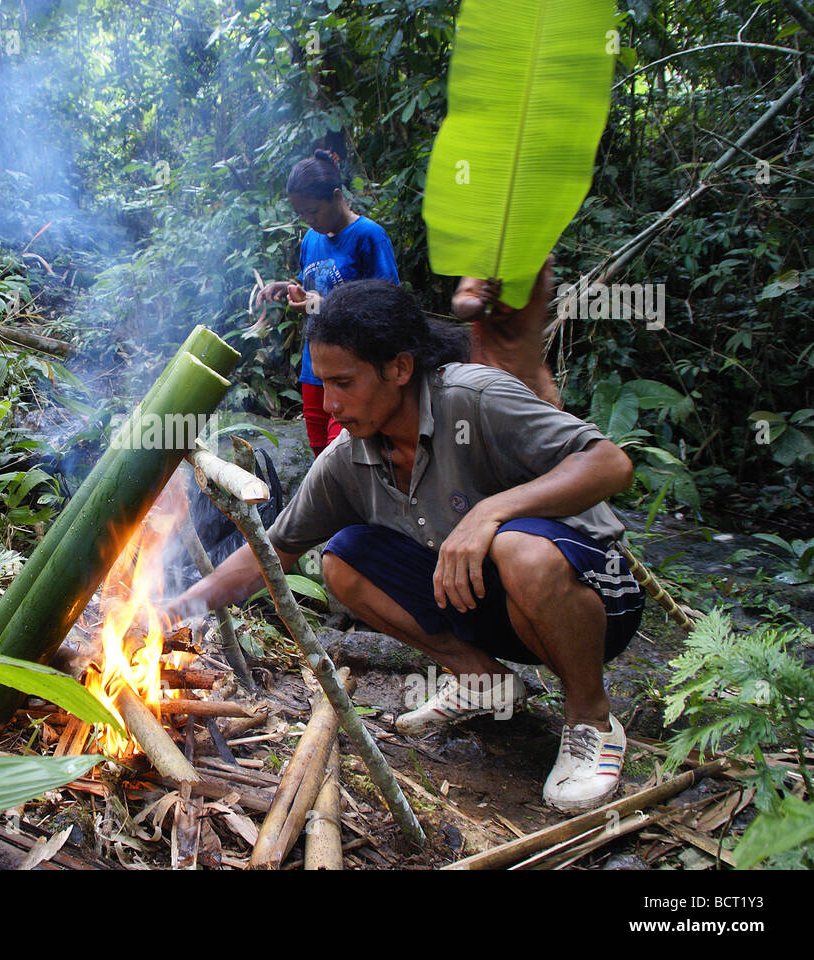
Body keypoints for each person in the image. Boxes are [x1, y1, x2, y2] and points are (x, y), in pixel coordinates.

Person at [169, 279, 645, 812]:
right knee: (344, 560)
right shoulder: (348, 459)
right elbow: (271, 553)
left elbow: (610, 463)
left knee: (518, 548)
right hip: (493, 609)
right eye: (323, 384)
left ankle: (591, 719)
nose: (330, 404)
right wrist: (175, 611)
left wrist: (491, 512)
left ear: (398, 368)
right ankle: (484, 680)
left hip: (595, 596)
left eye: (344, 383)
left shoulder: (475, 398)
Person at [256, 150, 401, 457]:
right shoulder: (311, 240)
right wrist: (287, 289)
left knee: (346, 453)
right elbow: (310, 287)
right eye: (302, 215)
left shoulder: (369, 236)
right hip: (314, 368)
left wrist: (327, 304)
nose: (309, 221)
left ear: (337, 196)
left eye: (313, 211)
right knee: (320, 454)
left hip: (353, 368)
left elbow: (390, 305)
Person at [451, 256, 561, 408]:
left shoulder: (542, 260)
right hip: (495, 385)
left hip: (536, 387)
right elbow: (461, 306)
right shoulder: (494, 260)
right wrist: (483, 301)